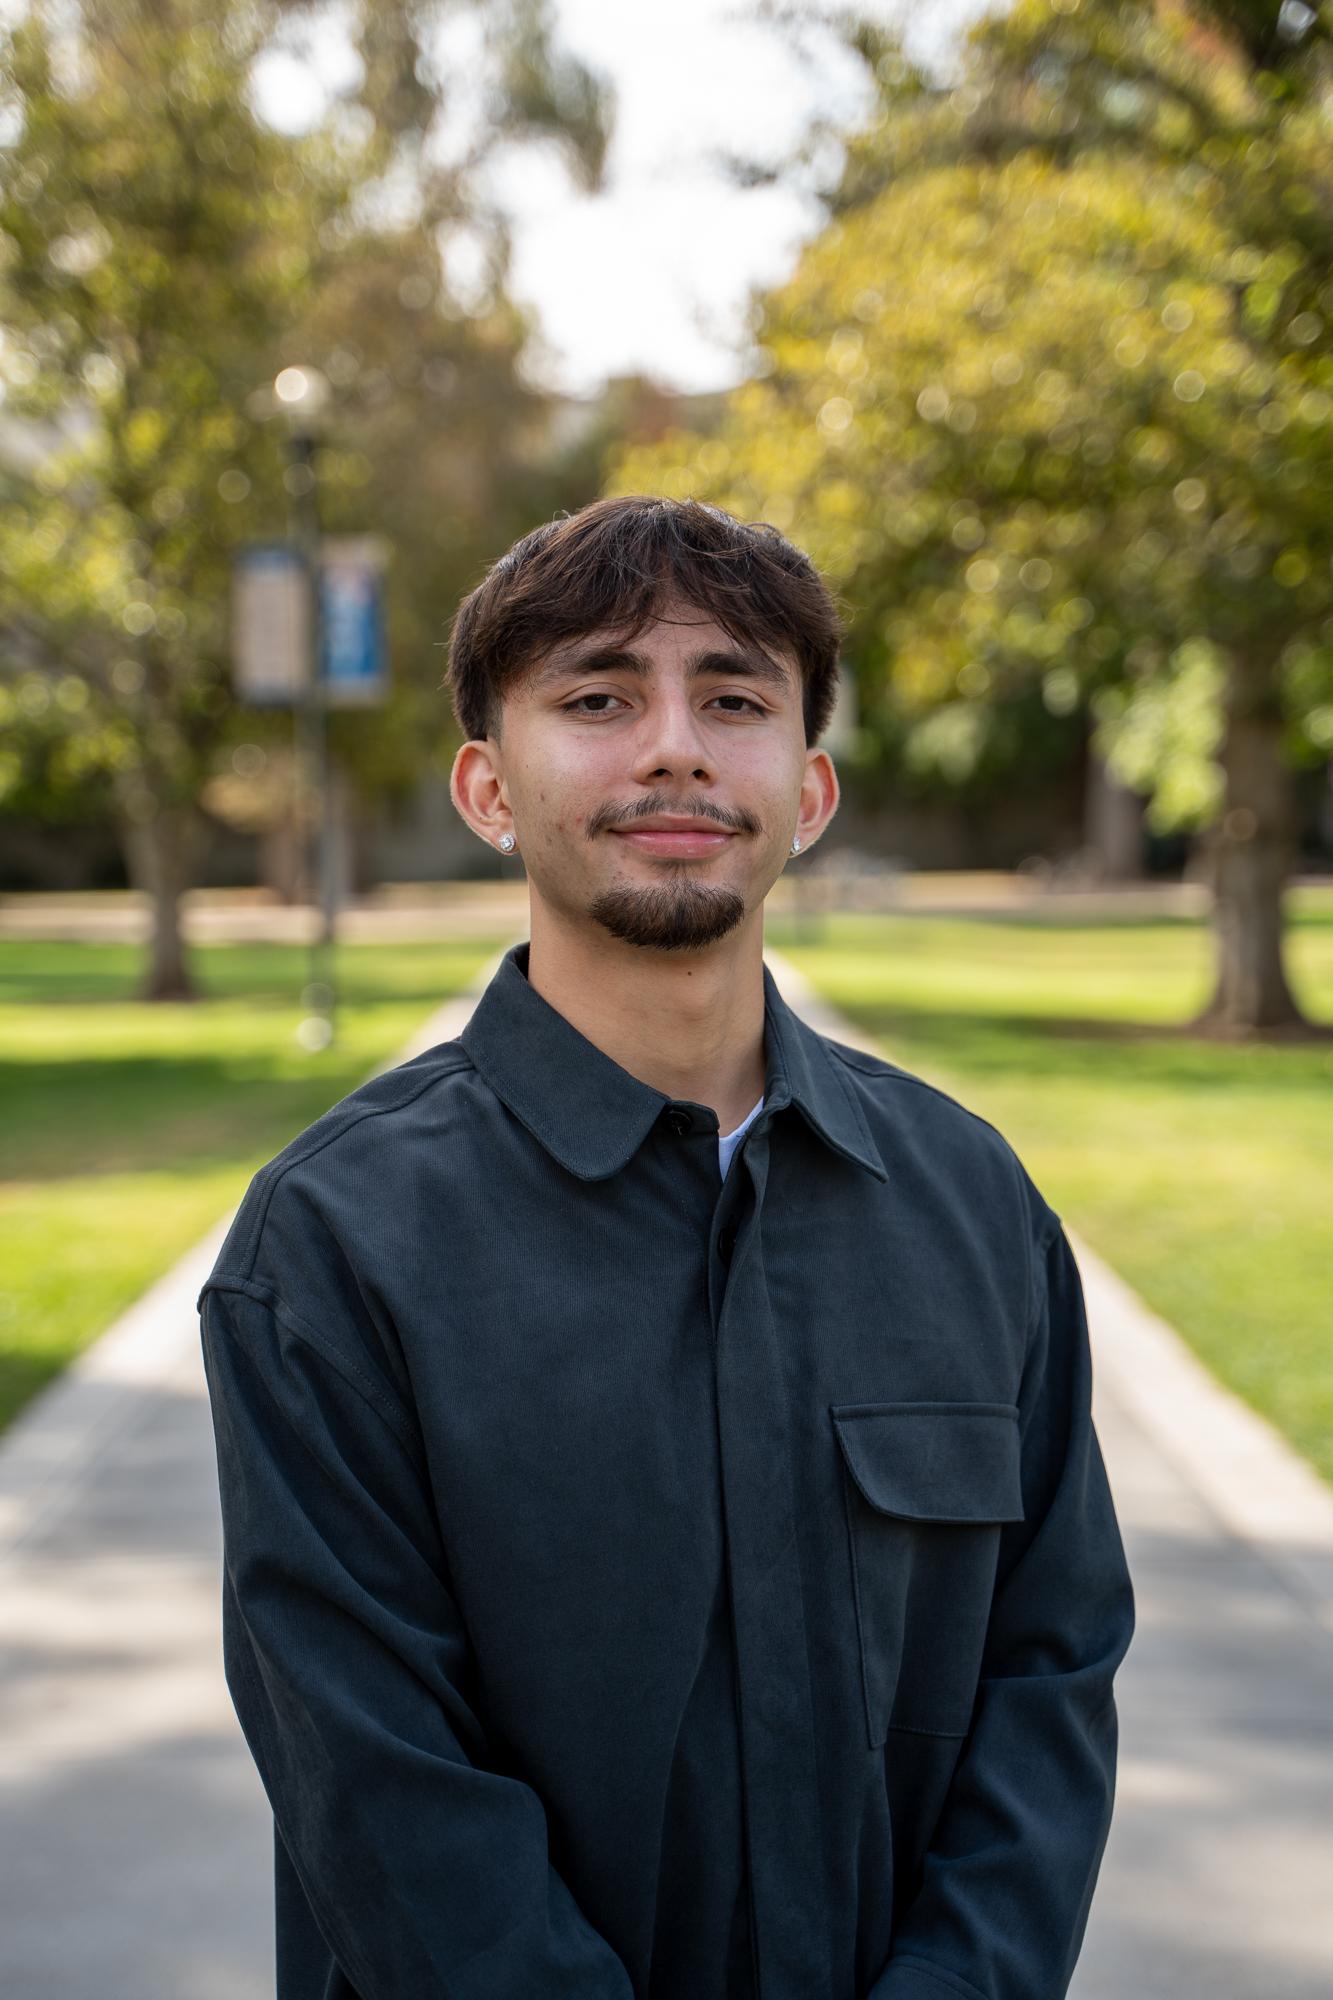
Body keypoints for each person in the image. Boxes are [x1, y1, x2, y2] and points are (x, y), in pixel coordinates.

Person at [197, 493, 1135, 2000]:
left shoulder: (972, 1206)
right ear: (488, 788)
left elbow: (1049, 1679)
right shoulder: (334, 1243)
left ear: (810, 791)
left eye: (735, 697)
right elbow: (380, 1787)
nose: (675, 746)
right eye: (596, 698)